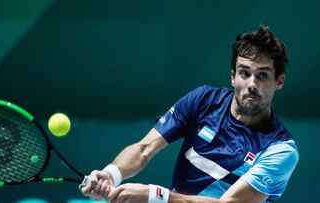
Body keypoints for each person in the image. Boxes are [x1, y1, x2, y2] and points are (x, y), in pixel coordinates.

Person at [80, 25, 299, 203]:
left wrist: (156, 196)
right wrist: (111, 174)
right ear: (233, 76)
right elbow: (144, 149)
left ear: (278, 81)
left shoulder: (280, 150)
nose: (251, 84)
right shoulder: (203, 101)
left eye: (262, 75)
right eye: (244, 73)